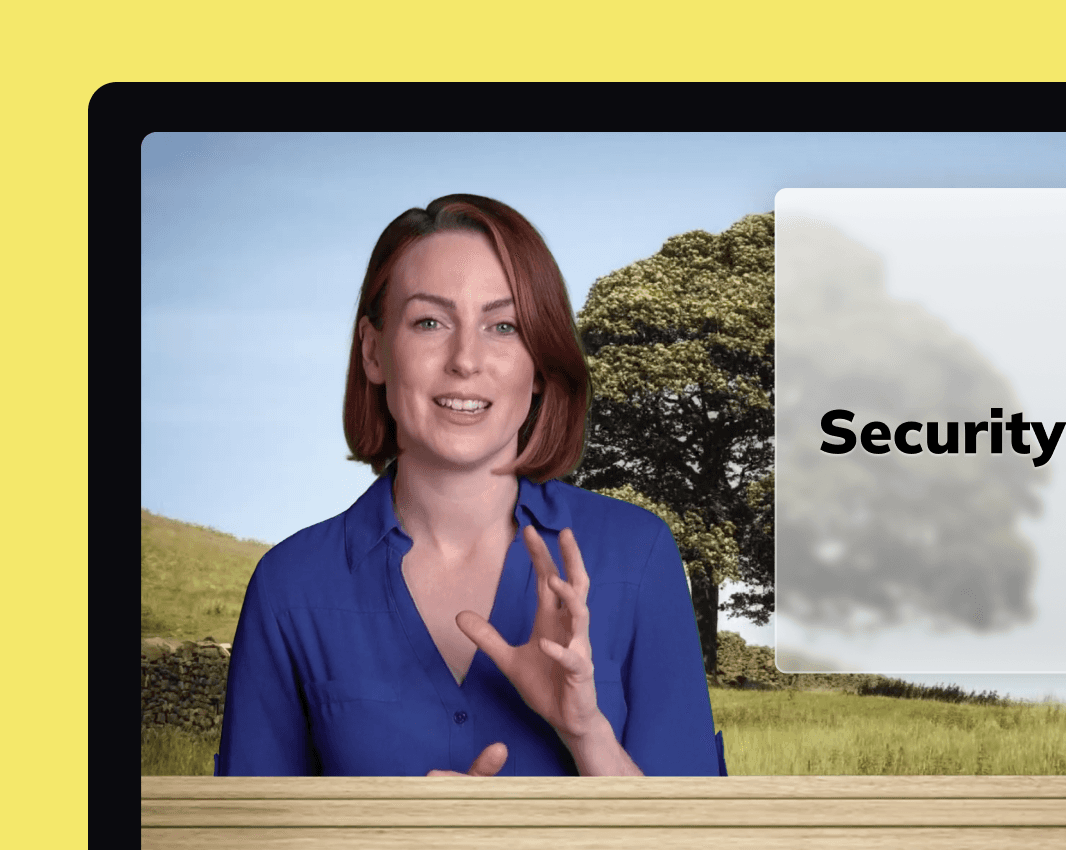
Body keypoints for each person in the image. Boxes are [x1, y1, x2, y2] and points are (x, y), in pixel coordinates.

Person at [216, 194, 720, 776]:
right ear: (375, 351)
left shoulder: (638, 555)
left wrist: (585, 730)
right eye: (430, 322)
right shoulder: (289, 587)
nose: (465, 359)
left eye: (503, 326)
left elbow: (694, 831)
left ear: (539, 364)